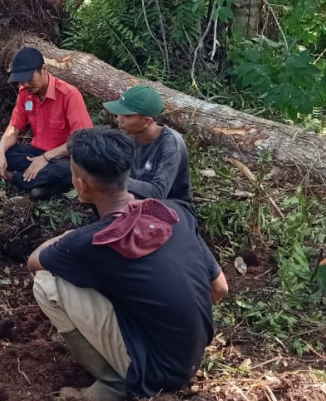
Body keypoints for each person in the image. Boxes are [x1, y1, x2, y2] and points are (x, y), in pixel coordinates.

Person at [27, 127, 228, 400]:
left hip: (154, 373)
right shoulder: (173, 212)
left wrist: (67, 236)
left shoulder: (92, 242)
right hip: (189, 358)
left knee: (46, 283)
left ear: (81, 183)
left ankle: (115, 385)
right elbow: (219, 287)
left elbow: (34, 262)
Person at [0, 47, 93, 201]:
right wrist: (0, 152)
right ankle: (39, 185)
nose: (26, 84)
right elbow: (14, 128)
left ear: (43, 69)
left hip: (62, 158)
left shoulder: (69, 94)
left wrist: (46, 158)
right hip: (34, 154)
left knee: (65, 171)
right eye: (22, 80)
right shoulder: (25, 94)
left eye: (30, 78)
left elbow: (83, 140)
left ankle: (14, 177)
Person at [104, 85, 192, 205]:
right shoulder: (128, 136)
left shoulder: (171, 144)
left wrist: (116, 180)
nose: (119, 119)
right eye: (119, 114)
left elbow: (158, 192)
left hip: (171, 205)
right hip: (135, 199)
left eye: (127, 116)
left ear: (147, 121)